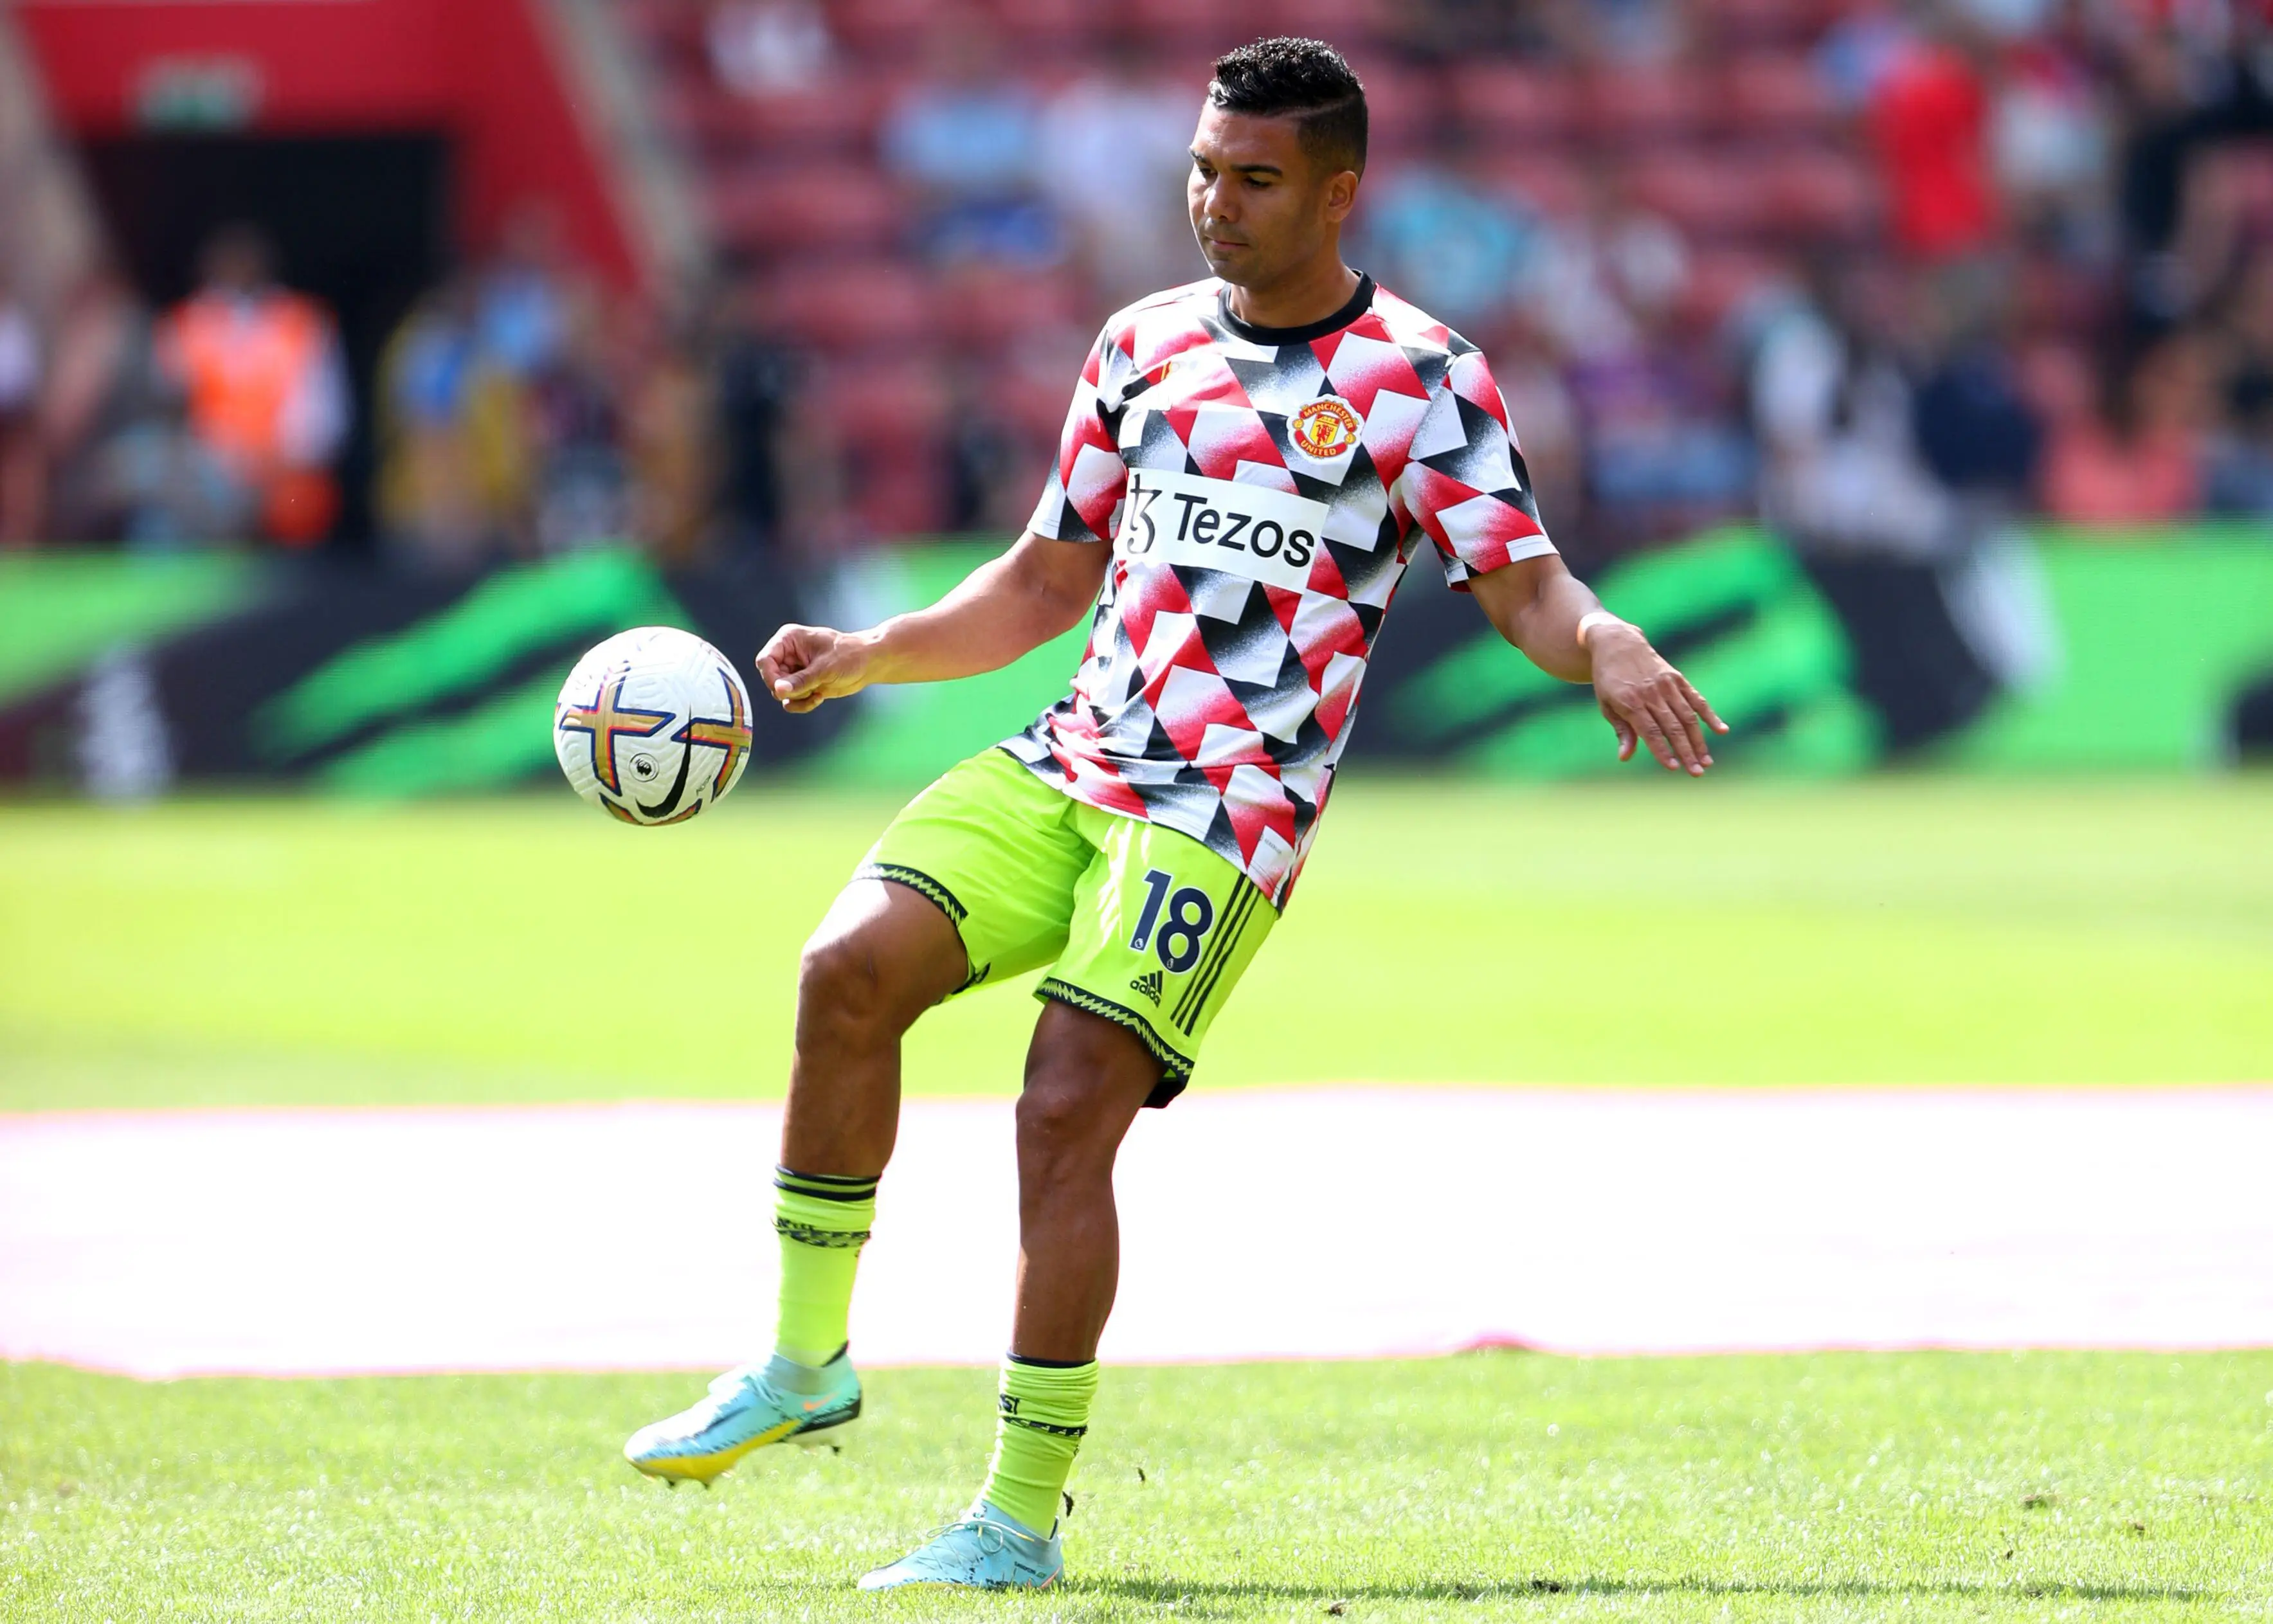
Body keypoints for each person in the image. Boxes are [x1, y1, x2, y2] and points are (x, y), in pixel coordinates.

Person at [618, 37, 1726, 1592]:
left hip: (1226, 809)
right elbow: (1044, 579)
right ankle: (806, 1363)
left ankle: (1012, 1521)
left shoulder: (1417, 375)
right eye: (1204, 170)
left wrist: (1604, 644)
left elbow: (1525, 585)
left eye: (1255, 179)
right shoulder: (1140, 346)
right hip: (1076, 760)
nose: (1216, 201)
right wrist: (877, 654)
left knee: (1065, 1106)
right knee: (840, 975)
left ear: (1338, 191)